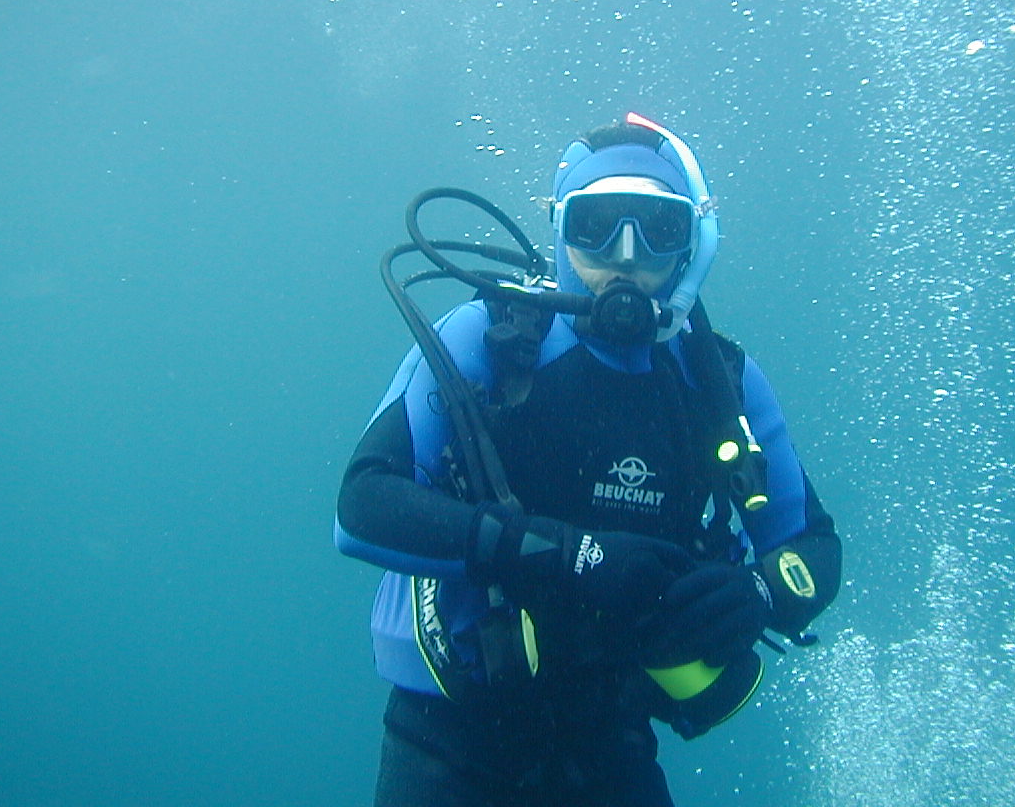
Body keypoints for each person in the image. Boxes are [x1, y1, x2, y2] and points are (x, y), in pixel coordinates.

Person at [335, 114, 841, 806]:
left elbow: (813, 546)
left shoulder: (718, 380)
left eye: (658, 229)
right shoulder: (487, 339)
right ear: (559, 230)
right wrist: (567, 554)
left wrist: (754, 595)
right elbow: (363, 506)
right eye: (595, 225)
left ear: (693, 246)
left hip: (612, 743)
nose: (626, 256)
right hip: (450, 740)